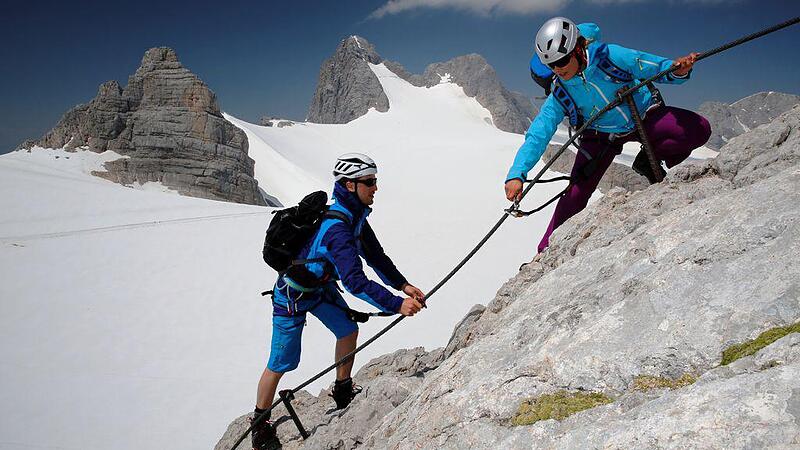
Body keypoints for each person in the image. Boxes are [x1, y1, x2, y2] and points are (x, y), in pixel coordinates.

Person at [251, 153, 426, 449]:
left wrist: (403, 285)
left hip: (318, 288)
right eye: (369, 182)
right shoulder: (339, 228)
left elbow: (376, 257)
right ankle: (259, 424)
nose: (375, 187)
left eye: (375, 181)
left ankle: (342, 388)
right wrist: (396, 304)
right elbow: (356, 282)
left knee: (347, 329)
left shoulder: (354, 218)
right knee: (281, 362)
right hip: (292, 295)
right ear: (349, 185)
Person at [506, 17, 712, 254]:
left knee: (698, 129)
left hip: (642, 116)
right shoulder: (560, 92)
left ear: (578, 47)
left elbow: (648, 66)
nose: (558, 69)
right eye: (552, 65)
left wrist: (676, 70)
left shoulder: (609, 57)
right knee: (576, 193)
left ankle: (649, 157)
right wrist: (517, 174)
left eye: (562, 60)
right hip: (600, 135)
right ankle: (545, 252)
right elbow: (538, 134)